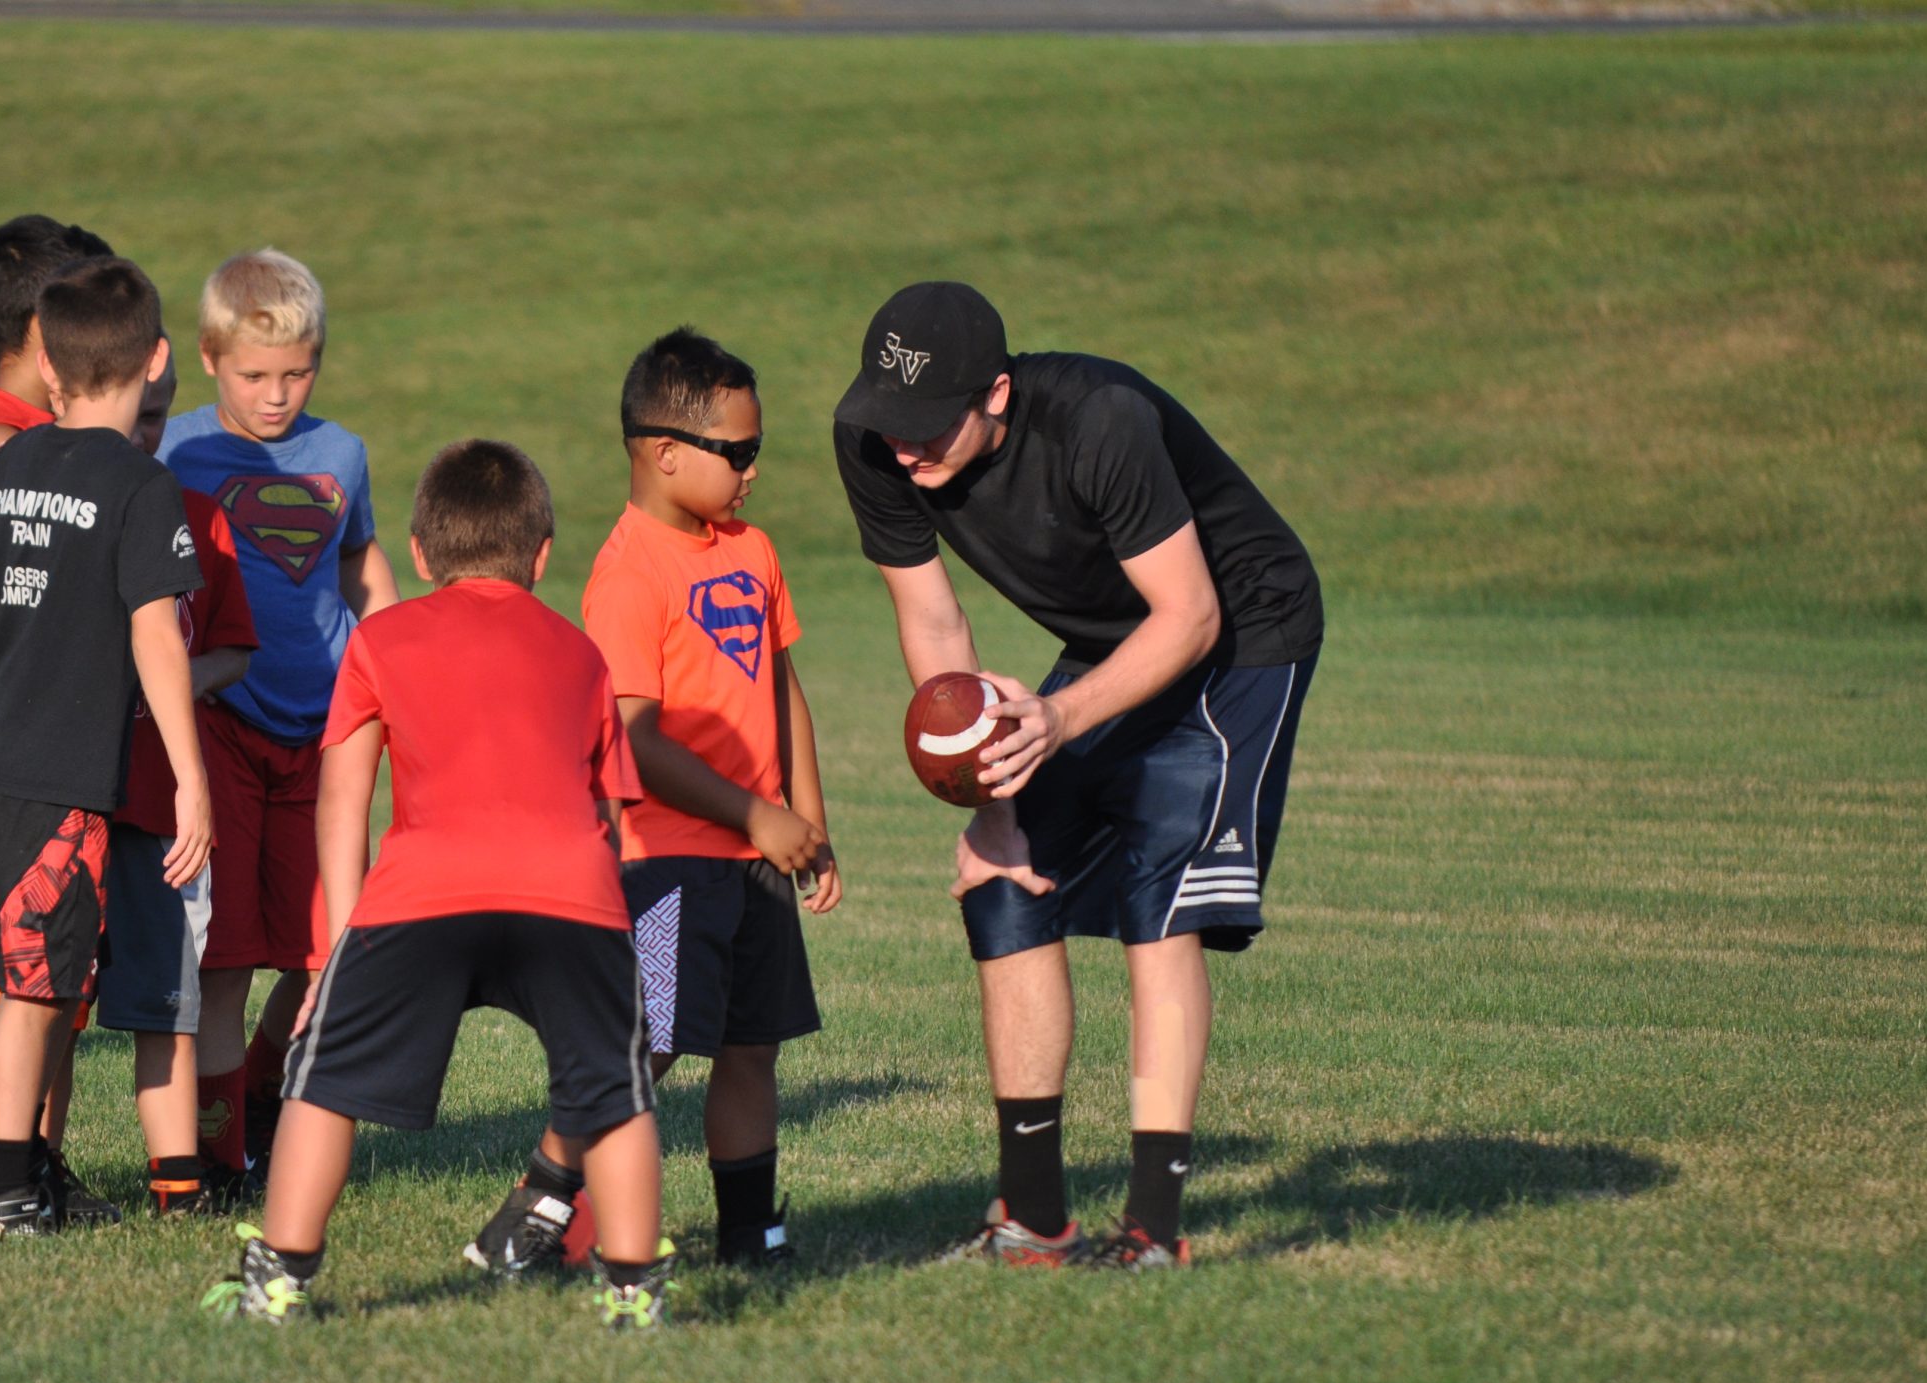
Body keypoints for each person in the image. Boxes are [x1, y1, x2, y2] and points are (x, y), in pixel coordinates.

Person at [831, 282, 1324, 1268]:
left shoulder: (1101, 423)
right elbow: (934, 624)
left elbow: (1189, 616)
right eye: (892, 423)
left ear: (998, 395)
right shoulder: (874, 442)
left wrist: (1055, 717)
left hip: (1241, 633)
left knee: (1160, 905)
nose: (905, 448)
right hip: (1110, 640)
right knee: (1004, 888)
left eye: (930, 427)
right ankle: (1032, 1217)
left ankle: (1150, 1230)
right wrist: (988, 793)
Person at [205, 440, 672, 1329]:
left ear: (418, 555)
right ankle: (635, 1295)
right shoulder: (581, 653)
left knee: (321, 1079)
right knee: (613, 1091)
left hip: (421, 894)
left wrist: (341, 949)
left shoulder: (380, 637)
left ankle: (277, 1279)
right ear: (542, 555)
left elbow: (341, 805)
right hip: (572, 893)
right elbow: (609, 817)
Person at [468, 328, 836, 1276]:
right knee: (650, 1047)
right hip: (668, 861)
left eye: (760, 451)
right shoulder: (628, 574)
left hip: (758, 859)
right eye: (738, 453)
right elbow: (635, 739)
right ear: (666, 452)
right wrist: (756, 815)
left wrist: (807, 815)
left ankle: (751, 1234)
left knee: (753, 1049)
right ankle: (538, 1204)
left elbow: (782, 685)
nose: (753, 472)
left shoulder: (752, 551)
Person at [0, 255, 212, 1236]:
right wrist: (190, 777)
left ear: (48, 368)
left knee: (27, 983)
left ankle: (1, 1181)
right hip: (59, 771)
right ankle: (4, 1192)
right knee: (39, 990)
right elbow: (155, 633)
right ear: (157, 359)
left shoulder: (10, 459)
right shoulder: (139, 485)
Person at [157, 247, 399, 1196]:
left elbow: (360, 568)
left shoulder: (342, 455)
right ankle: (219, 1159)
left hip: (328, 738)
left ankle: (259, 1093)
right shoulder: (175, 450)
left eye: (298, 373)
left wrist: (390, 660)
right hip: (222, 725)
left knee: (329, 948)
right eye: (255, 375)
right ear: (211, 357)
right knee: (226, 963)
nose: (277, 395)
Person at [0, 214, 113, 1216]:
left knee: (56, 967)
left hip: (51, 719)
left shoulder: (45, 430)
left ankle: (38, 1155)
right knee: (10, 966)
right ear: (51, 333)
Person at [103, 386, 256, 1218]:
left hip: (164, 803)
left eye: (155, 416)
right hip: (69, 792)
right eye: (131, 410)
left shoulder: (197, 515)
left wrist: (164, 690)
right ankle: (33, 1163)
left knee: (171, 996)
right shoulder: (68, 512)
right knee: (54, 996)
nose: (139, 430)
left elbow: (232, 648)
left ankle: (179, 1183)